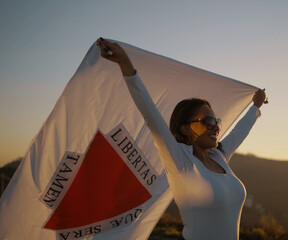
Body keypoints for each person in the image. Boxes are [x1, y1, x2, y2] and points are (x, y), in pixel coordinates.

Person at [97, 38, 266, 240]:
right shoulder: (181, 160)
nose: (216, 125)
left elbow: (240, 132)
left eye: (216, 120)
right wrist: (126, 65)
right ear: (185, 128)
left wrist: (256, 106)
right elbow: (150, 113)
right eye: (208, 120)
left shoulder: (219, 155)